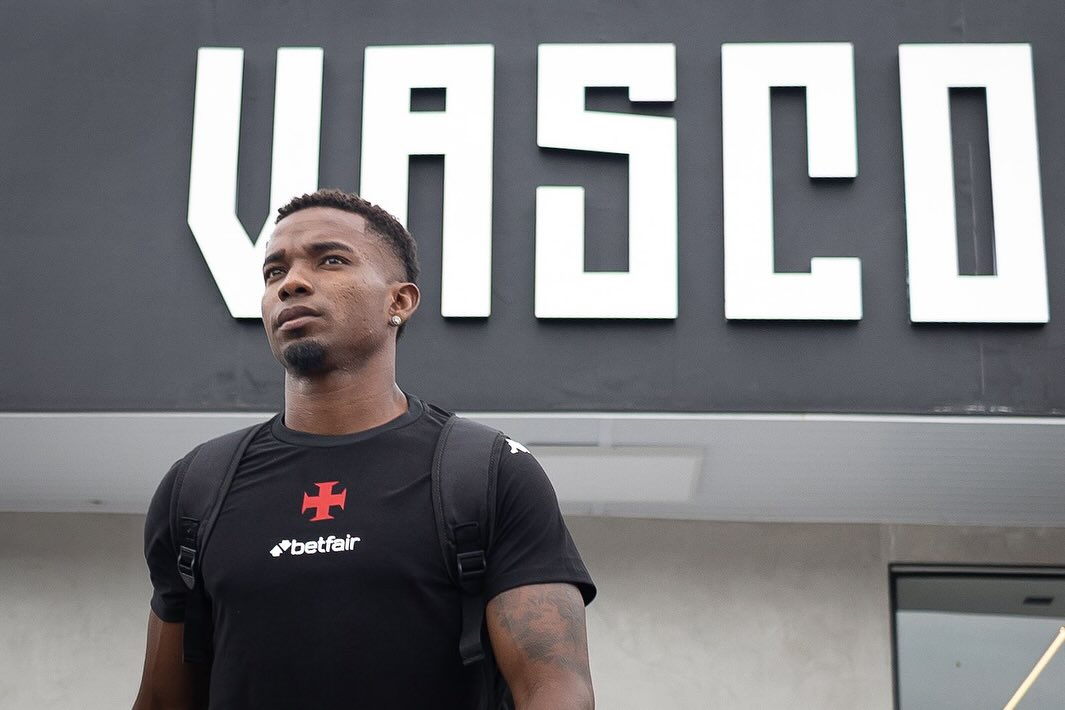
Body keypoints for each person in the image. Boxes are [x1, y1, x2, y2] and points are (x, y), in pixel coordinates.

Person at [133, 189, 596, 709]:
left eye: (331, 260)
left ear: (399, 301)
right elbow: (160, 701)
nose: (292, 283)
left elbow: (555, 688)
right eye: (274, 271)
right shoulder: (199, 484)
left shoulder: (485, 471)